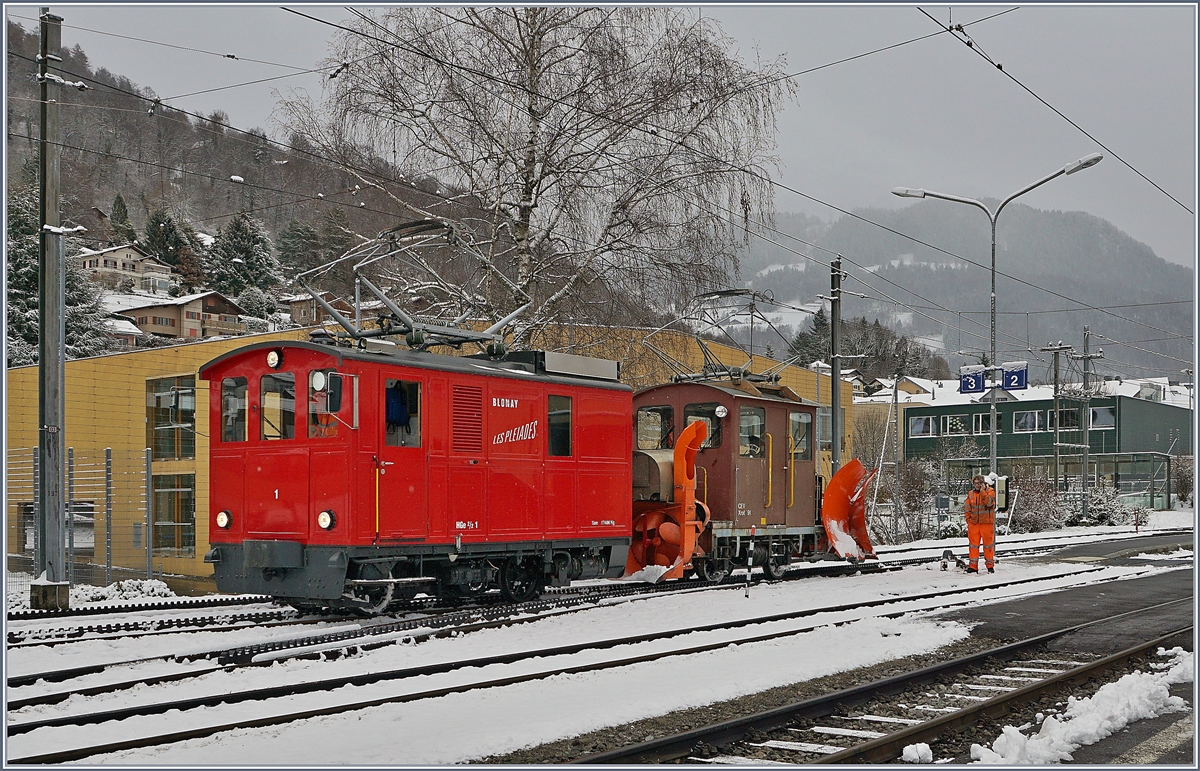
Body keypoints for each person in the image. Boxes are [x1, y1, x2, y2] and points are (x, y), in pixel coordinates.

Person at [963, 474, 996, 574]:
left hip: (986, 523)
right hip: (974, 524)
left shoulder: (990, 491)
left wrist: (982, 491)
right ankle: (973, 566)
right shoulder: (971, 494)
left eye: (979, 483)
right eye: (975, 483)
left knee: (988, 546)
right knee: (973, 546)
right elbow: (967, 508)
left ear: (983, 483)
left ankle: (990, 566)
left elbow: (989, 503)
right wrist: (968, 520)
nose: (977, 485)